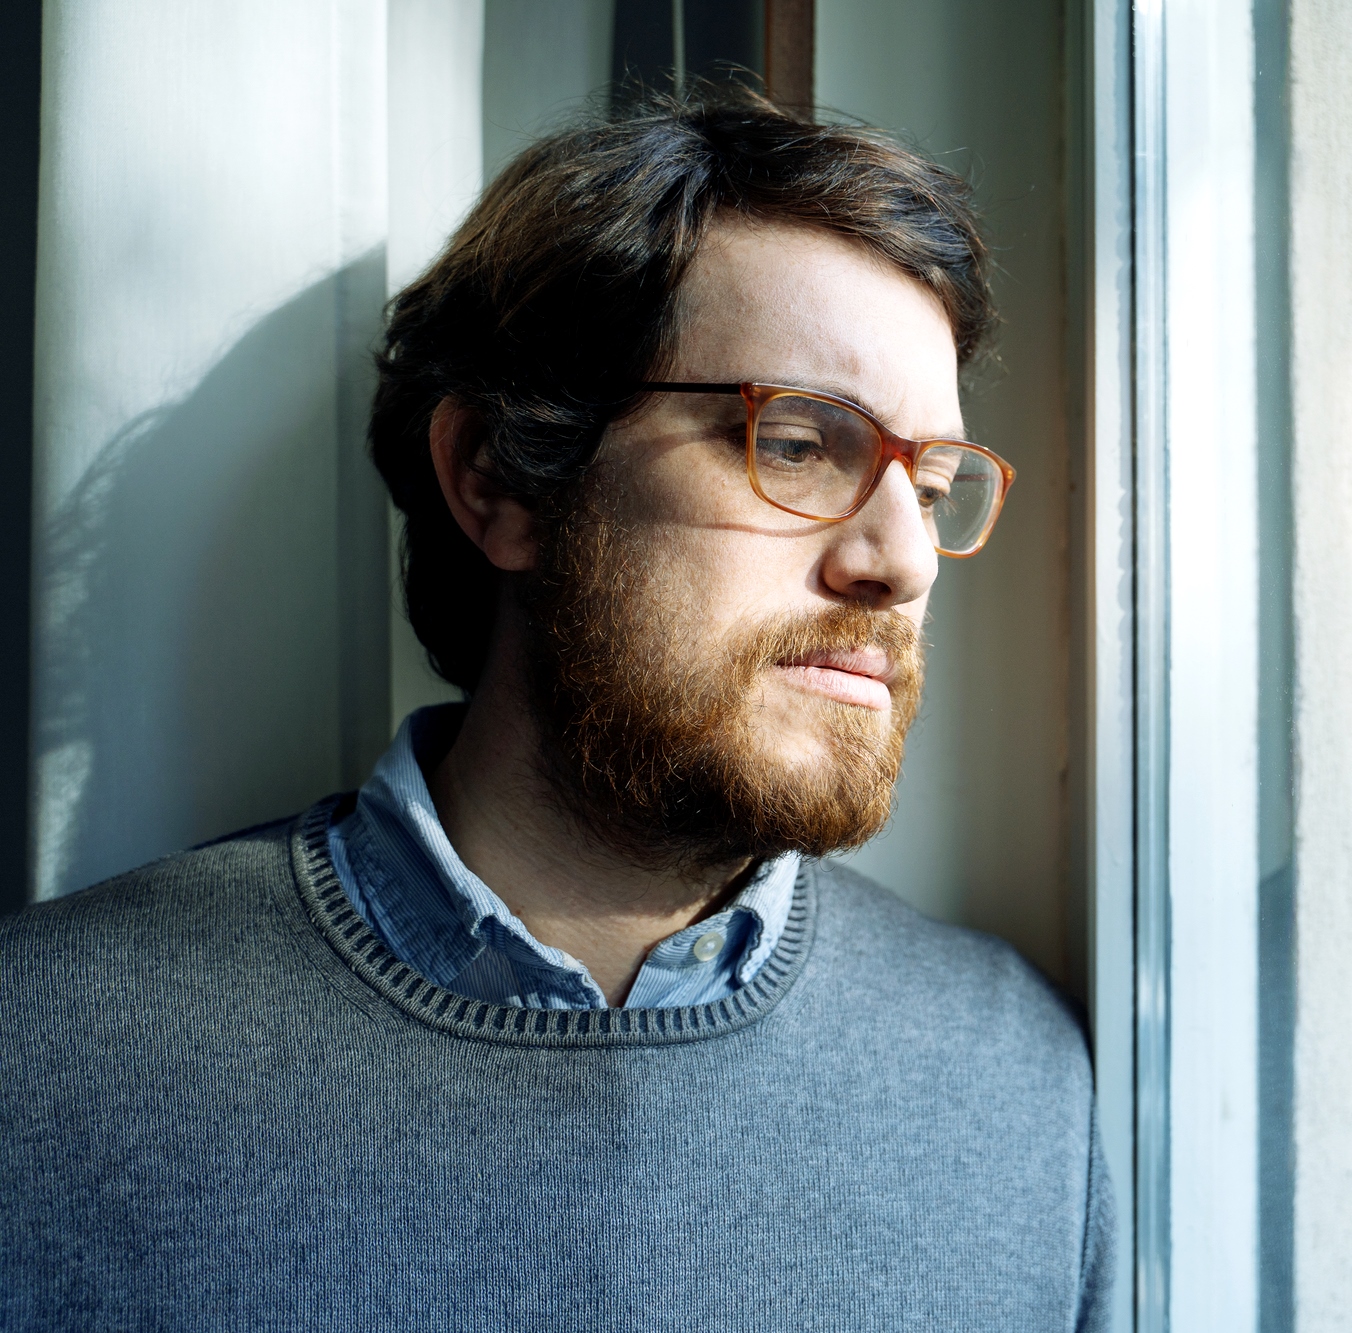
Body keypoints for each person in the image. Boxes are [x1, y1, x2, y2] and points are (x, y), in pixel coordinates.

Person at [0, 91, 1109, 1330]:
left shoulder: (1010, 1083)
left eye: (934, 482)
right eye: (798, 442)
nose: (900, 560)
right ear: (498, 481)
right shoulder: (49, 1056)